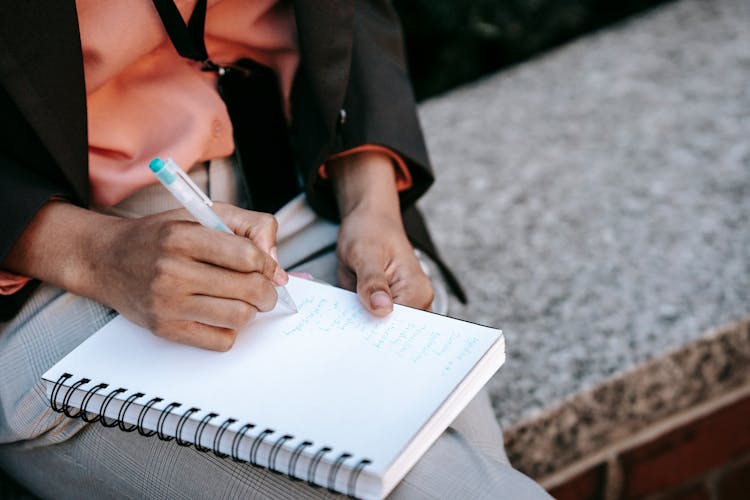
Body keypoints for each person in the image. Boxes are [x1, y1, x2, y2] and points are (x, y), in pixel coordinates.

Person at [0, 1, 550, 498]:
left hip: (300, 192)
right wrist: (91, 253)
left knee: (472, 462)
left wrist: (370, 202)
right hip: (52, 261)